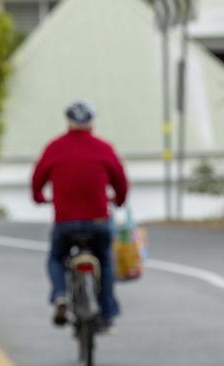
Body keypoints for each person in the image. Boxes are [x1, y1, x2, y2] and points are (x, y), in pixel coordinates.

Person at [31, 100, 128, 331]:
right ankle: (107, 313)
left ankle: (60, 295)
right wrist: (119, 200)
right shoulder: (103, 148)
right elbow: (120, 180)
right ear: (91, 122)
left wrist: (39, 198)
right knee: (105, 261)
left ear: (69, 122)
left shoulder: (55, 147)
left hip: (65, 222)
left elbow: (37, 179)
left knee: (56, 258)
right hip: (98, 220)